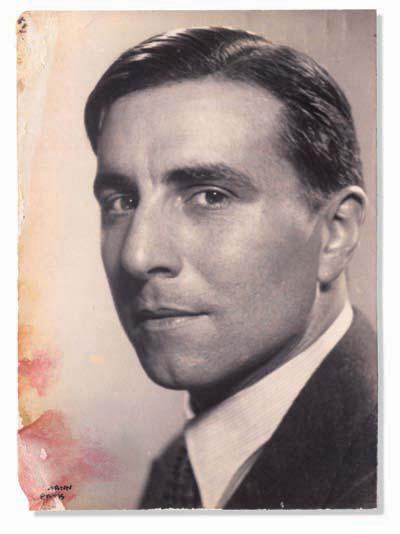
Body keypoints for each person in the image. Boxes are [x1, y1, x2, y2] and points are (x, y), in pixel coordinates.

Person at [84, 27, 377, 510]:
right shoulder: (184, 465)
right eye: (122, 201)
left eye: (210, 197)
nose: (138, 255)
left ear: (335, 233)